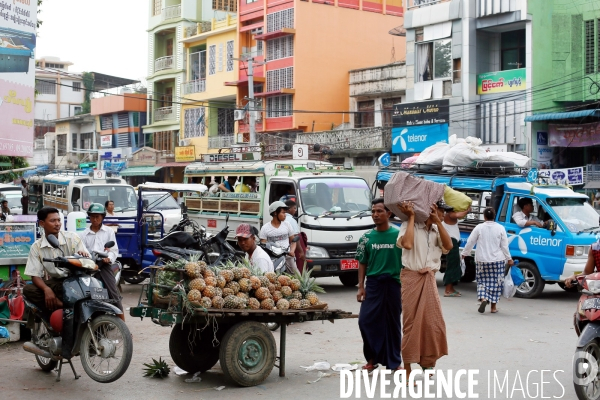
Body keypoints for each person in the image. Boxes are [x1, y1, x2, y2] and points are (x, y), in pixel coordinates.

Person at [396, 200, 453, 378]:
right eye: (441, 211)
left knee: (433, 323)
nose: (443, 215)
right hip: (412, 277)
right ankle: (406, 369)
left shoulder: (437, 229)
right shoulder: (408, 224)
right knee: (410, 324)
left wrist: (437, 222)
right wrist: (412, 216)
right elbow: (407, 244)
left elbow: (448, 247)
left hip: (429, 278)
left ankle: (427, 362)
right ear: (430, 210)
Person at [356, 198, 403, 372]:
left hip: (393, 283)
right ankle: (372, 358)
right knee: (365, 321)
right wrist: (361, 286)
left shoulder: (399, 235)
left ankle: (394, 362)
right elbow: (362, 262)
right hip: (374, 284)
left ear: (389, 213)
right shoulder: (366, 237)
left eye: (379, 211)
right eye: (373, 211)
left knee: (393, 323)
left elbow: (407, 261)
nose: (375, 214)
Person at [23, 207, 90, 312]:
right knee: (28, 290)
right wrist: (46, 289)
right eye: (52, 221)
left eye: (59, 220)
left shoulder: (72, 238)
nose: (57, 224)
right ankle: (61, 305)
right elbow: (34, 275)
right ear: (42, 223)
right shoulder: (36, 247)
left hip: (76, 279)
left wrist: (83, 256)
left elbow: (86, 259)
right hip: (57, 283)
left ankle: (62, 305)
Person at [461, 207, 513, 314]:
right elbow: (504, 246)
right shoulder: (500, 228)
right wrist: (509, 258)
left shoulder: (479, 227)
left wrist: (464, 253)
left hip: (482, 260)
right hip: (497, 261)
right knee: (496, 284)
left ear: (484, 216)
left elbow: (470, 242)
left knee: (482, 282)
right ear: (494, 216)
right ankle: (493, 307)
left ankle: (483, 299)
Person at [78, 203, 124, 319]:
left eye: (97, 216)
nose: (95, 219)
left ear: (102, 217)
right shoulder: (83, 234)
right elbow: (80, 250)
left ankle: (123, 325)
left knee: (113, 293)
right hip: (88, 266)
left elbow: (114, 251)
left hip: (104, 265)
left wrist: (108, 258)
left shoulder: (108, 232)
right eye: (92, 216)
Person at [259, 201, 298, 274]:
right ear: (275, 213)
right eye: (283, 213)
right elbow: (263, 245)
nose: (285, 215)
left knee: (297, 276)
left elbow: (293, 241)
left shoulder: (287, 225)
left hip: (287, 255)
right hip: (272, 258)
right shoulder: (265, 228)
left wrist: (292, 251)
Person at [442, 205, 471, 297]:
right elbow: (457, 215)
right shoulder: (449, 215)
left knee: (455, 265)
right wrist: (466, 211)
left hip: (453, 242)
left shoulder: (449, 217)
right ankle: (448, 290)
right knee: (452, 266)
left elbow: (459, 217)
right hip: (451, 242)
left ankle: (451, 288)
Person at [284, 199, 306, 272]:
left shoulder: (280, 219)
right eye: (294, 208)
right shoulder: (291, 220)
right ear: (289, 209)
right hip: (291, 251)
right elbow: (296, 238)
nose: (295, 210)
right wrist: (301, 251)